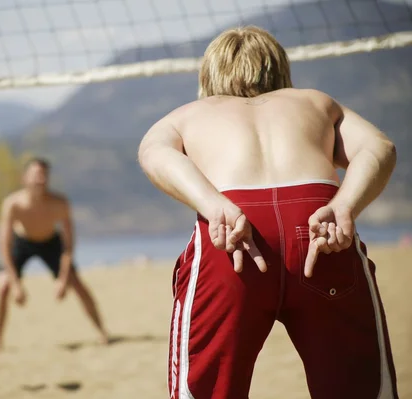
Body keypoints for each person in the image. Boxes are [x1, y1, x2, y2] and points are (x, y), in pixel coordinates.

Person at [138, 26, 398, 399]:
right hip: (319, 229)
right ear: (279, 68)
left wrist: (213, 205)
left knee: (208, 390)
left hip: (232, 233)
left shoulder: (191, 113)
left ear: (208, 74)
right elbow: (380, 147)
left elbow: (153, 152)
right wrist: (344, 206)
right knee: (357, 388)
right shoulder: (315, 102)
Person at [0, 158, 109, 351]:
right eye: (36, 175)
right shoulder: (12, 204)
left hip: (50, 242)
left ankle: (102, 332)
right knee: (3, 286)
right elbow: (4, 245)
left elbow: (68, 245)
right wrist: (15, 285)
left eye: (44, 175)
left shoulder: (60, 203)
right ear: (24, 178)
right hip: (21, 242)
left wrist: (63, 279)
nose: (40, 179)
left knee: (78, 284)